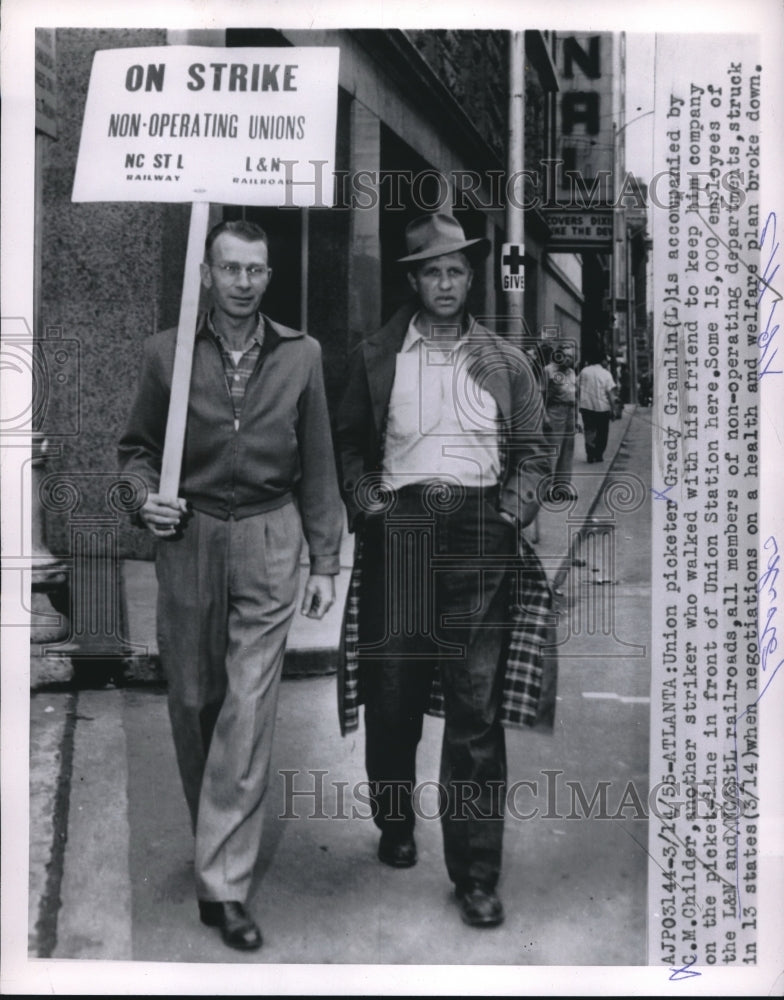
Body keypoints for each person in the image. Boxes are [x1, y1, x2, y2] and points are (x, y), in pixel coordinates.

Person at [118, 219, 343, 951]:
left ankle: (224, 882)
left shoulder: (302, 354)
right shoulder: (168, 353)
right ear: (207, 275)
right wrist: (141, 495)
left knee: (246, 710)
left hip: (271, 539)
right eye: (231, 268)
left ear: (268, 276)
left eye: (256, 269)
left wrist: (325, 558)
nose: (244, 281)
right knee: (193, 700)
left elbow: (319, 463)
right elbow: (135, 453)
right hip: (190, 537)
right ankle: (216, 838)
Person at [336, 213, 555, 929]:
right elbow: (349, 450)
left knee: (475, 709)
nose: (446, 283)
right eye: (432, 271)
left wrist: (512, 511)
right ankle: (395, 822)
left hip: (478, 532)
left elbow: (532, 448)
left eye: (457, 270)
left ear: (471, 277)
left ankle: (476, 875)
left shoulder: (503, 361)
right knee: (393, 696)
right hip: (398, 528)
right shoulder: (377, 356)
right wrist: (369, 509)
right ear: (413, 279)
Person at [542, 340, 578, 497]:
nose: (569, 360)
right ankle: (547, 488)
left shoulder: (571, 372)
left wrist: (577, 419)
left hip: (570, 411)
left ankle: (562, 487)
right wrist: (544, 416)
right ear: (558, 355)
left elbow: (575, 396)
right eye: (566, 356)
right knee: (553, 449)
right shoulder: (548, 370)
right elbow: (540, 394)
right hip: (554, 411)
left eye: (572, 357)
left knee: (567, 450)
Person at [577, 348, 617, 463]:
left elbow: (577, 386)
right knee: (602, 432)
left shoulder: (584, 371)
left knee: (589, 430)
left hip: (586, 407)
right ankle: (599, 454)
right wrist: (613, 409)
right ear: (602, 361)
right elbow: (610, 393)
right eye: (606, 361)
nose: (607, 363)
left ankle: (590, 454)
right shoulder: (606, 373)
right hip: (602, 408)